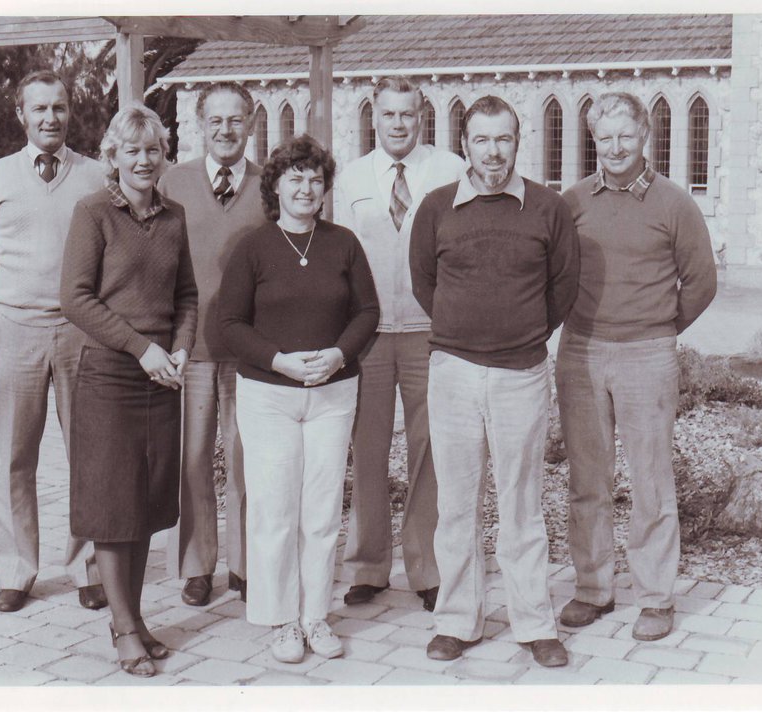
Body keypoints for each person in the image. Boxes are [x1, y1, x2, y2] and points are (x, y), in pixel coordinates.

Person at [409, 95, 578, 667]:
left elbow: (562, 289)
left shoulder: (547, 208)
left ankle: (534, 624)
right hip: (453, 372)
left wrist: (519, 333)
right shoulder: (435, 209)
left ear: (517, 142)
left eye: (503, 139)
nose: (493, 151)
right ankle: (458, 620)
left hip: (521, 375)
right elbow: (424, 283)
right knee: (456, 504)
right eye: (481, 139)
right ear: (465, 145)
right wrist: (467, 332)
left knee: (522, 504)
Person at [557, 92, 717, 642]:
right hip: (580, 351)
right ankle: (593, 589)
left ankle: (655, 597)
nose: (616, 147)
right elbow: (553, 274)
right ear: (593, 140)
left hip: (648, 354)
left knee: (651, 481)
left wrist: (660, 327)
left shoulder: (674, 203)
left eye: (626, 135)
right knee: (587, 479)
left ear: (644, 135)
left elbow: (701, 281)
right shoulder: (572, 201)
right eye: (606, 137)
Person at [218, 135, 379, 663]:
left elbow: (366, 313)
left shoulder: (343, 244)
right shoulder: (252, 246)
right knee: (274, 507)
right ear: (276, 187)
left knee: (322, 508)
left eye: (315, 179)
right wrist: (278, 360)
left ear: (325, 187)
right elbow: (230, 325)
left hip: (333, 391)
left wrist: (338, 355)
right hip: (269, 394)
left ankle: (316, 615)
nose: (306, 188)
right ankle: (281, 619)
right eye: (295, 178)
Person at [60, 104, 198, 677]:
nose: (144, 160)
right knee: (115, 505)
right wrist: (142, 349)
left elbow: (187, 294)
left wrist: (181, 349)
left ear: (164, 156)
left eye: (154, 150)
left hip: (163, 375)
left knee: (145, 503)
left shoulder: (175, 216)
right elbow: (76, 298)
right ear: (111, 157)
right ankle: (122, 630)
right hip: (112, 377)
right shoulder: (92, 212)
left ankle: (136, 619)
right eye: (131, 150)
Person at [0, 69, 105, 614]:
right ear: (21, 115)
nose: (51, 118)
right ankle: (16, 570)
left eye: (60, 108)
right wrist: (11, 300)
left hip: (79, 333)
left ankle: (88, 566)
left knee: (87, 455)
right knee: (15, 457)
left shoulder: (95, 177)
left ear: (71, 113)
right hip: (17, 333)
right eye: (40, 109)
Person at [336, 77, 465, 612]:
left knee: (427, 450)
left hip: (426, 332)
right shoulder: (352, 177)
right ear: (375, 116)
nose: (398, 124)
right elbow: (340, 258)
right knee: (366, 451)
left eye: (407, 115)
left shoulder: (451, 171)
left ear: (422, 116)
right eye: (388, 114)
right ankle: (368, 566)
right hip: (368, 335)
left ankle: (426, 566)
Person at [157, 82, 265, 607]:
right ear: (202, 126)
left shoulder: (270, 187)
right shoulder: (172, 181)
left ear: (250, 123)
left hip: (250, 350)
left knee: (247, 456)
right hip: (193, 346)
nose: (226, 130)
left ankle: (246, 566)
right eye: (216, 121)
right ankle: (198, 565)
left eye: (236, 119)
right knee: (195, 456)